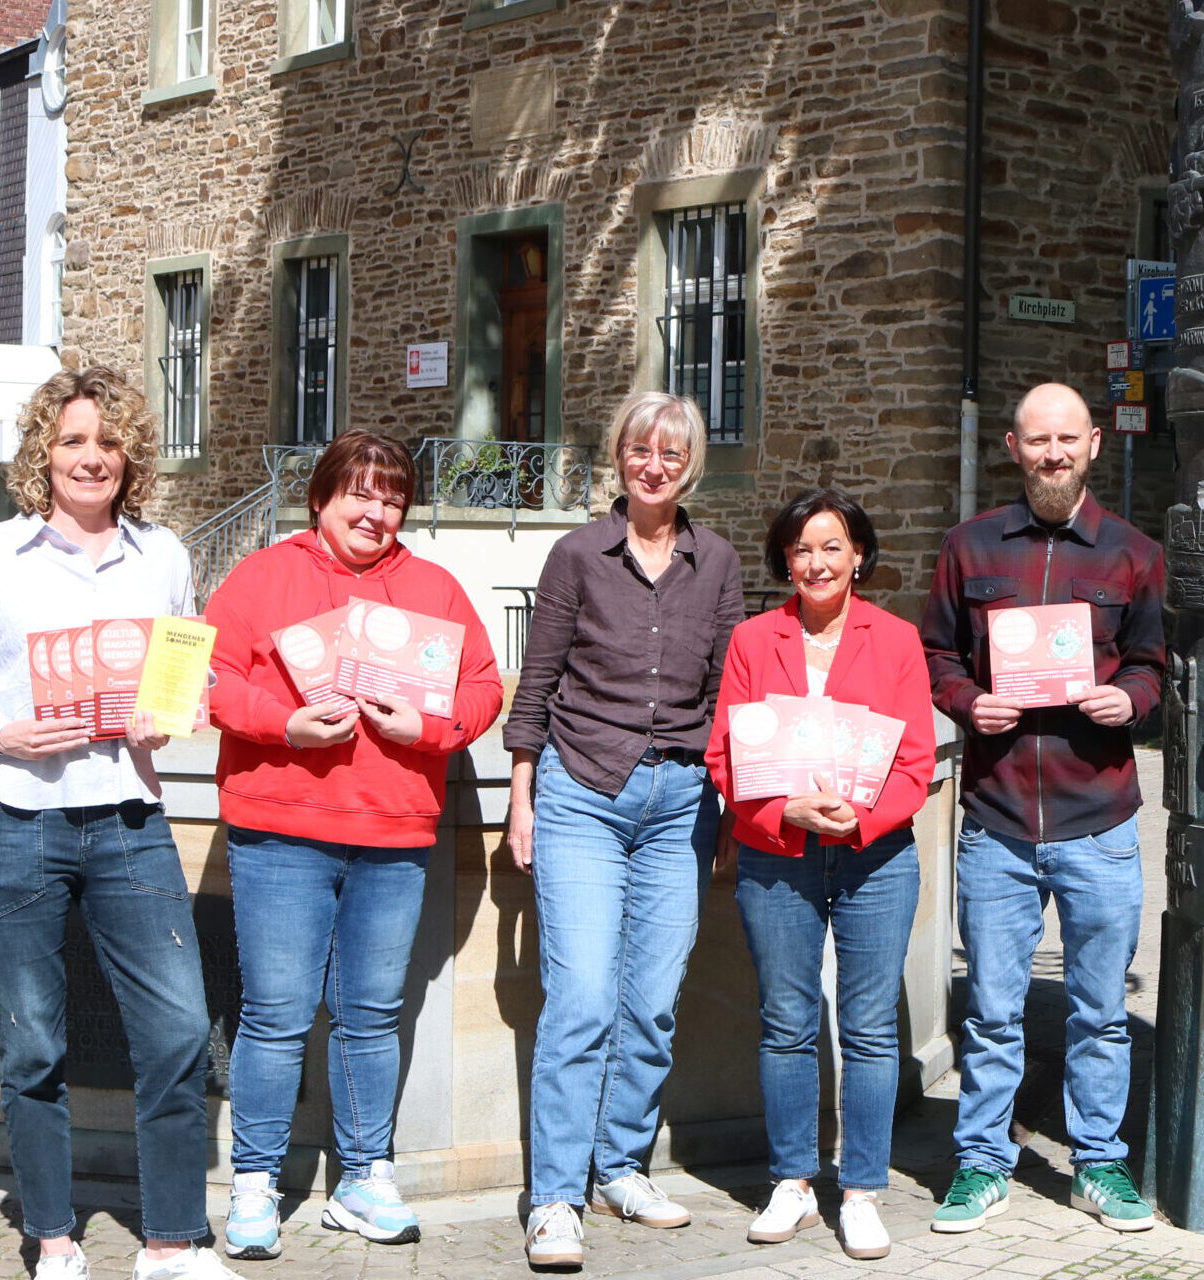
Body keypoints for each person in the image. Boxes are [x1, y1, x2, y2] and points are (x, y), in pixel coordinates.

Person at [0, 367, 236, 1280]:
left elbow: (181, 673)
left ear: (133, 459)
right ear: (43, 453)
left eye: (110, 442)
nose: (93, 458)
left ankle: (172, 1241)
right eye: (75, 440)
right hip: (15, 818)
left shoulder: (162, 555)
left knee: (175, 1032)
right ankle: (52, 1234)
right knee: (35, 1040)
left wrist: (170, 710)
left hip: (128, 817)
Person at [200, 430, 504, 1259]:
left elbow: (483, 685)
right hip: (282, 830)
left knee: (370, 1017)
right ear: (321, 499)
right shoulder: (264, 577)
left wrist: (431, 728)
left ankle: (365, 1176)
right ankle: (257, 1180)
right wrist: (282, 723)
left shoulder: (433, 587)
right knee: (276, 1015)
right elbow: (207, 674)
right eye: (359, 494)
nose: (376, 511)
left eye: (392, 496)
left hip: (393, 832)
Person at [917, 383, 1167, 1234]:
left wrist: (1127, 701)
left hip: (1099, 818)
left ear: (1094, 444)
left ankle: (1100, 1164)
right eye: (1038, 440)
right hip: (995, 821)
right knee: (992, 1011)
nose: (1053, 453)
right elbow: (937, 653)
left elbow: (1153, 663)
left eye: (1068, 438)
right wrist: (965, 702)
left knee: (1100, 1014)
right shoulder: (969, 545)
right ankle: (982, 1163)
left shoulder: (1133, 553)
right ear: (1013, 447)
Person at [503, 391, 744, 1270]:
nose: (654, 463)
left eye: (671, 453)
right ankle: (555, 1197)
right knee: (580, 1000)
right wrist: (522, 793)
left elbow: (724, 692)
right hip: (582, 792)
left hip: (680, 798)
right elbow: (537, 680)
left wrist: (725, 801)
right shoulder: (576, 555)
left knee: (651, 1001)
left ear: (690, 466)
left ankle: (620, 1167)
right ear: (620, 457)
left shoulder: (714, 561)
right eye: (640, 449)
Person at [706, 489, 937, 1261]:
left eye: (832, 546)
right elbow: (725, 757)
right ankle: (794, 1183)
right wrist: (782, 816)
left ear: (859, 556)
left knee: (869, 1029)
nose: (817, 562)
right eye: (802, 549)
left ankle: (863, 1189)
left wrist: (862, 820)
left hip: (875, 857)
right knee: (786, 1020)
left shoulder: (897, 638)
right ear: (784, 560)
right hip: (779, 854)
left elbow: (915, 762)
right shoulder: (752, 640)